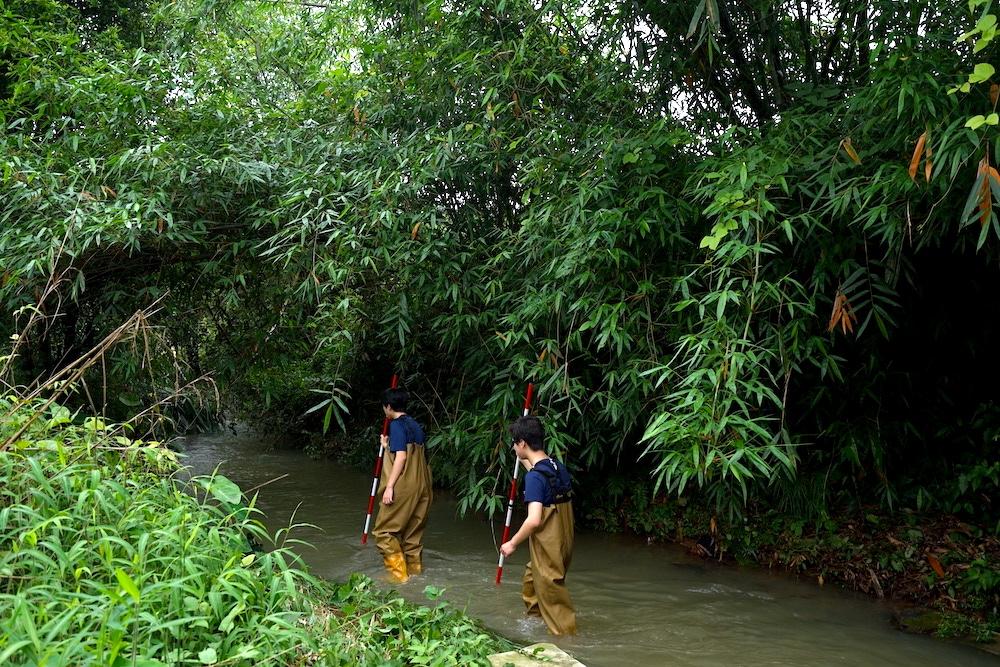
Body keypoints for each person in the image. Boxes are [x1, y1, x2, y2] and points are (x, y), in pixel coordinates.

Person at [499, 415, 576, 635]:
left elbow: (534, 520)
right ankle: (536, 623)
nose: (514, 447)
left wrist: (512, 544)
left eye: (515, 443)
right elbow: (539, 475)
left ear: (523, 443)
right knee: (532, 577)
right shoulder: (556, 466)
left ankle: (567, 642)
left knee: (553, 594)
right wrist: (523, 460)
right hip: (564, 537)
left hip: (549, 539)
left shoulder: (534, 478)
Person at [373, 387, 433, 583]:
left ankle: (399, 579)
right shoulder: (415, 425)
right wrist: (386, 446)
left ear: (388, 407)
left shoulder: (396, 425)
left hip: (404, 485)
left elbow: (401, 457)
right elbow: (411, 451)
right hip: (423, 484)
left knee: (384, 532)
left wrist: (389, 487)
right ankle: (415, 578)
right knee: (412, 537)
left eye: (385, 408)